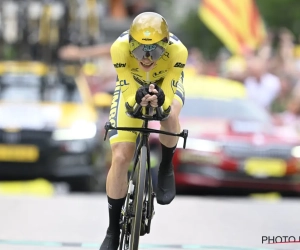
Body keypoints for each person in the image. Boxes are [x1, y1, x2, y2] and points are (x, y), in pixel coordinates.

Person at [100, 12, 188, 250]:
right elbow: (126, 87)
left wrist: (161, 101)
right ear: (131, 45)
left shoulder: (179, 52)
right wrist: (135, 98)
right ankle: (112, 230)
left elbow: (169, 90)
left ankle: (166, 166)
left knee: (169, 114)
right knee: (120, 157)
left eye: (155, 51)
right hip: (132, 85)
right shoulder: (119, 48)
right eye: (140, 51)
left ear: (165, 45)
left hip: (164, 84)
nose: (147, 58)